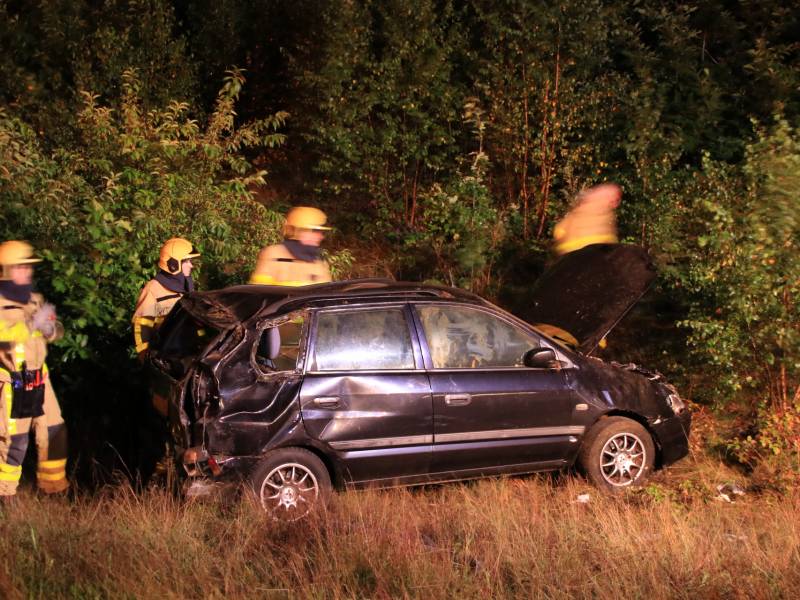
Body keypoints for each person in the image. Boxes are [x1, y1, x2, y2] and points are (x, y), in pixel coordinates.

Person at [0, 240, 69, 498]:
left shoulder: (33, 299)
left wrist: (52, 328)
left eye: (28, 267)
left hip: (40, 378)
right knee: (13, 444)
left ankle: (54, 490)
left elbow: (50, 332)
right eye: (20, 267)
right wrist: (31, 324)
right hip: (11, 381)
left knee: (54, 431)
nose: (26, 272)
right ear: (5, 270)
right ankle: (4, 497)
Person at [132, 237, 200, 358]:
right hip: (166, 357)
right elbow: (141, 326)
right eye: (187, 261)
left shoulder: (187, 287)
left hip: (189, 355)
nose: (191, 266)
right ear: (173, 265)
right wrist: (145, 356)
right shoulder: (153, 289)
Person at [250, 206, 332, 286]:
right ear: (297, 231)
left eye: (320, 232)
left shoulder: (319, 262)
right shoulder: (273, 255)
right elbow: (259, 293)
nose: (321, 236)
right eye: (315, 231)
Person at [553, 183, 621, 255]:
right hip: (589, 250)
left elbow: (559, 231)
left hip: (568, 249)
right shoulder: (602, 214)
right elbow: (606, 238)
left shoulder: (579, 211)